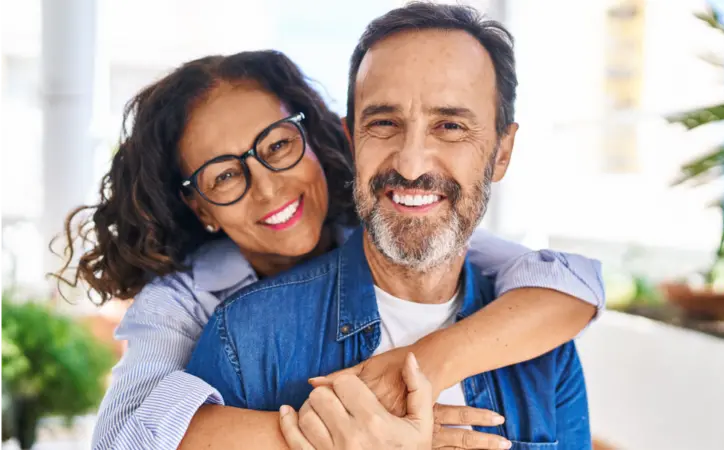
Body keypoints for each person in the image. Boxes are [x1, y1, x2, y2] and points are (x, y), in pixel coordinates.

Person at [56, 13, 602, 450]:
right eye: (224, 175)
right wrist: (347, 434)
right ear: (200, 207)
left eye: (276, 147)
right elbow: (125, 436)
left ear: (318, 140)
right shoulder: (212, 317)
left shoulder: (413, 226)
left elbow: (569, 285)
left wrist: (424, 365)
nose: (267, 188)